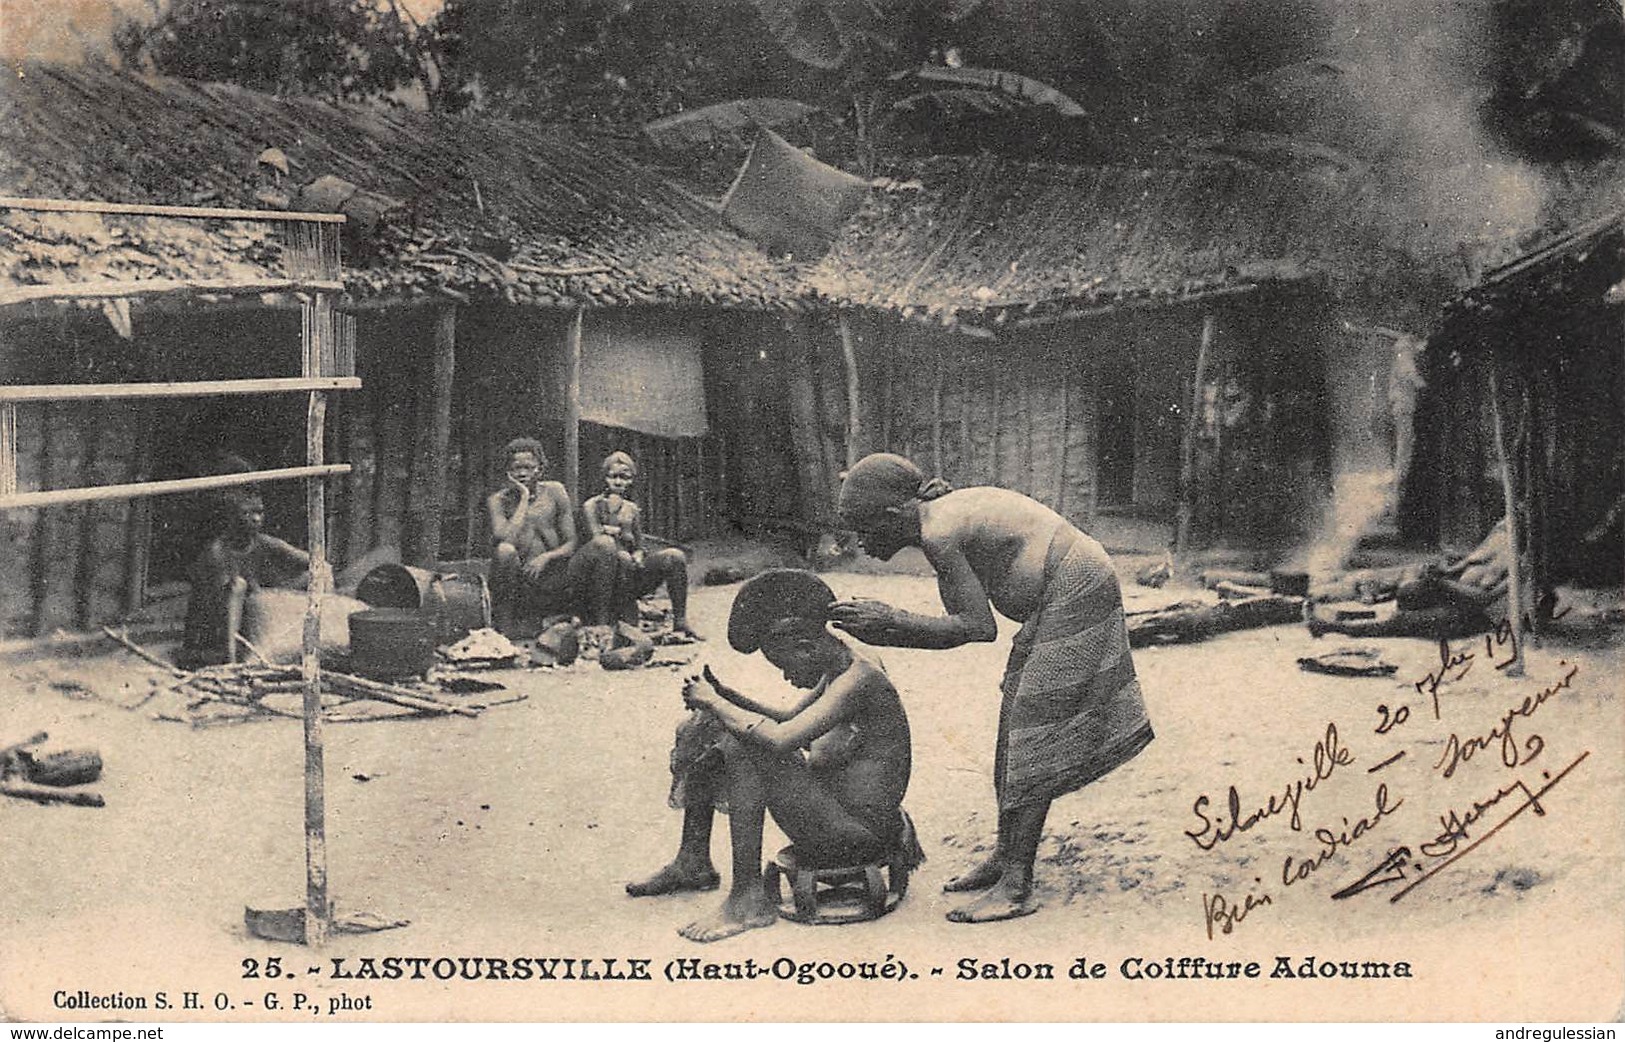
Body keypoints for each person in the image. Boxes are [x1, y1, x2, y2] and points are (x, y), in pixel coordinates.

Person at [828, 452, 1153, 923]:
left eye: (863, 529)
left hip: (1075, 585)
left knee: (1033, 733)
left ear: (894, 515)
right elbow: (963, 622)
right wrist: (887, 628)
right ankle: (1006, 857)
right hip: (1059, 589)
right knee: (1013, 722)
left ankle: (1017, 885)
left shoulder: (939, 533)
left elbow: (977, 628)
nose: (859, 543)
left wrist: (890, 621)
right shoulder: (935, 522)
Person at [626, 569, 920, 943]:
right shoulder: (842, 661)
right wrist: (726, 699)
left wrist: (718, 702)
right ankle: (693, 861)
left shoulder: (860, 678)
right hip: (842, 817)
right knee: (712, 726)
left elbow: (780, 740)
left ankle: (748, 896)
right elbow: (794, 720)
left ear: (805, 645)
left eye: (784, 666)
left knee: (742, 746)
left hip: (857, 834)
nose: (785, 677)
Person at [1305, 518, 1511, 640]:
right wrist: (1441, 575)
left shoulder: (1521, 562)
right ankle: (1336, 599)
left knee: (1400, 622)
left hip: (1472, 613)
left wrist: (1442, 585)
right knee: (1407, 590)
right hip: (1448, 593)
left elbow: (1485, 600)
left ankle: (1335, 628)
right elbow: (1457, 569)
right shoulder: (1498, 538)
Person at [177, 489, 309, 669]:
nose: (256, 518)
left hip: (249, 620)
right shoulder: (216, 552)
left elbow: (313, 560)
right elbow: (220, 603)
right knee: (237, 587)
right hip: (214, 633)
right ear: (231, 518)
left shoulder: (264, 542)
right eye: (247, 513)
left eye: (259, 512)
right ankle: (230, 661)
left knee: (315, 574)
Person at [577, 451, 700, 639]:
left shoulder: (632, 509)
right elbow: (597, 540)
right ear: (604, 478)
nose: (618, 482)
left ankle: (680, 621)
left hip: (629, 572)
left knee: (674, 556)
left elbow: (639, 544)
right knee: (620, 556)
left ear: (631, 480)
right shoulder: (591, 506)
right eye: (613, 476)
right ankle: (604, 622)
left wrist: (639, 554)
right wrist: (621, 535)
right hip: (601, 578)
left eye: (624, 477)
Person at [487, 437, 580, 635]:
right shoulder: (497, 500)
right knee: (504, 550)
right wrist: (523, 498)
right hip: (518, 579)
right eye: (516, 468)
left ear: (540, 468)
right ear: (507, 471)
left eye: (528, 467)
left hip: (552, 573)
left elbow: (571, 542)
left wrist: (546, 557)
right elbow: (505, 538)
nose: (522, 473)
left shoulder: (555, 491)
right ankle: (506, 626)